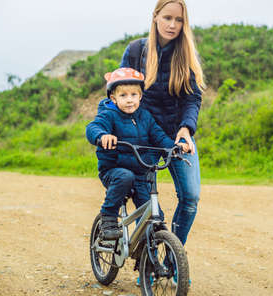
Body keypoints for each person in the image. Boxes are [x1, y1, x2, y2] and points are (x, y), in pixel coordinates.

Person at [120, 0, 205, 247]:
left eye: (179, 20)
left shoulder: (186, 54)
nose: (173, 25)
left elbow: (192, 97)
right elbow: (120, 92)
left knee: (190, 197)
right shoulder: (136, 51)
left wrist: (186, 128)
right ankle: (147, 264)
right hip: (142, 138)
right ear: (155, 16)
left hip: (176, 135)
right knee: (148, 206)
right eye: (167, 18)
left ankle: (172, 258)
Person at [86, 67, 189, 240]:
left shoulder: (145, 117)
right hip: (114, 171)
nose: (129, 100)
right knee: (125, 177)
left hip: (141, 173)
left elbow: (159, 136)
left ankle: (148, 250)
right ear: (113, 98)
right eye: (123, 95)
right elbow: (93, 127)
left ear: (140, 96)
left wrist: (174, 147)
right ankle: (108, 218)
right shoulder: (109, 115)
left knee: (155, 217)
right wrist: (102, 136)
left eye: (134, 95)